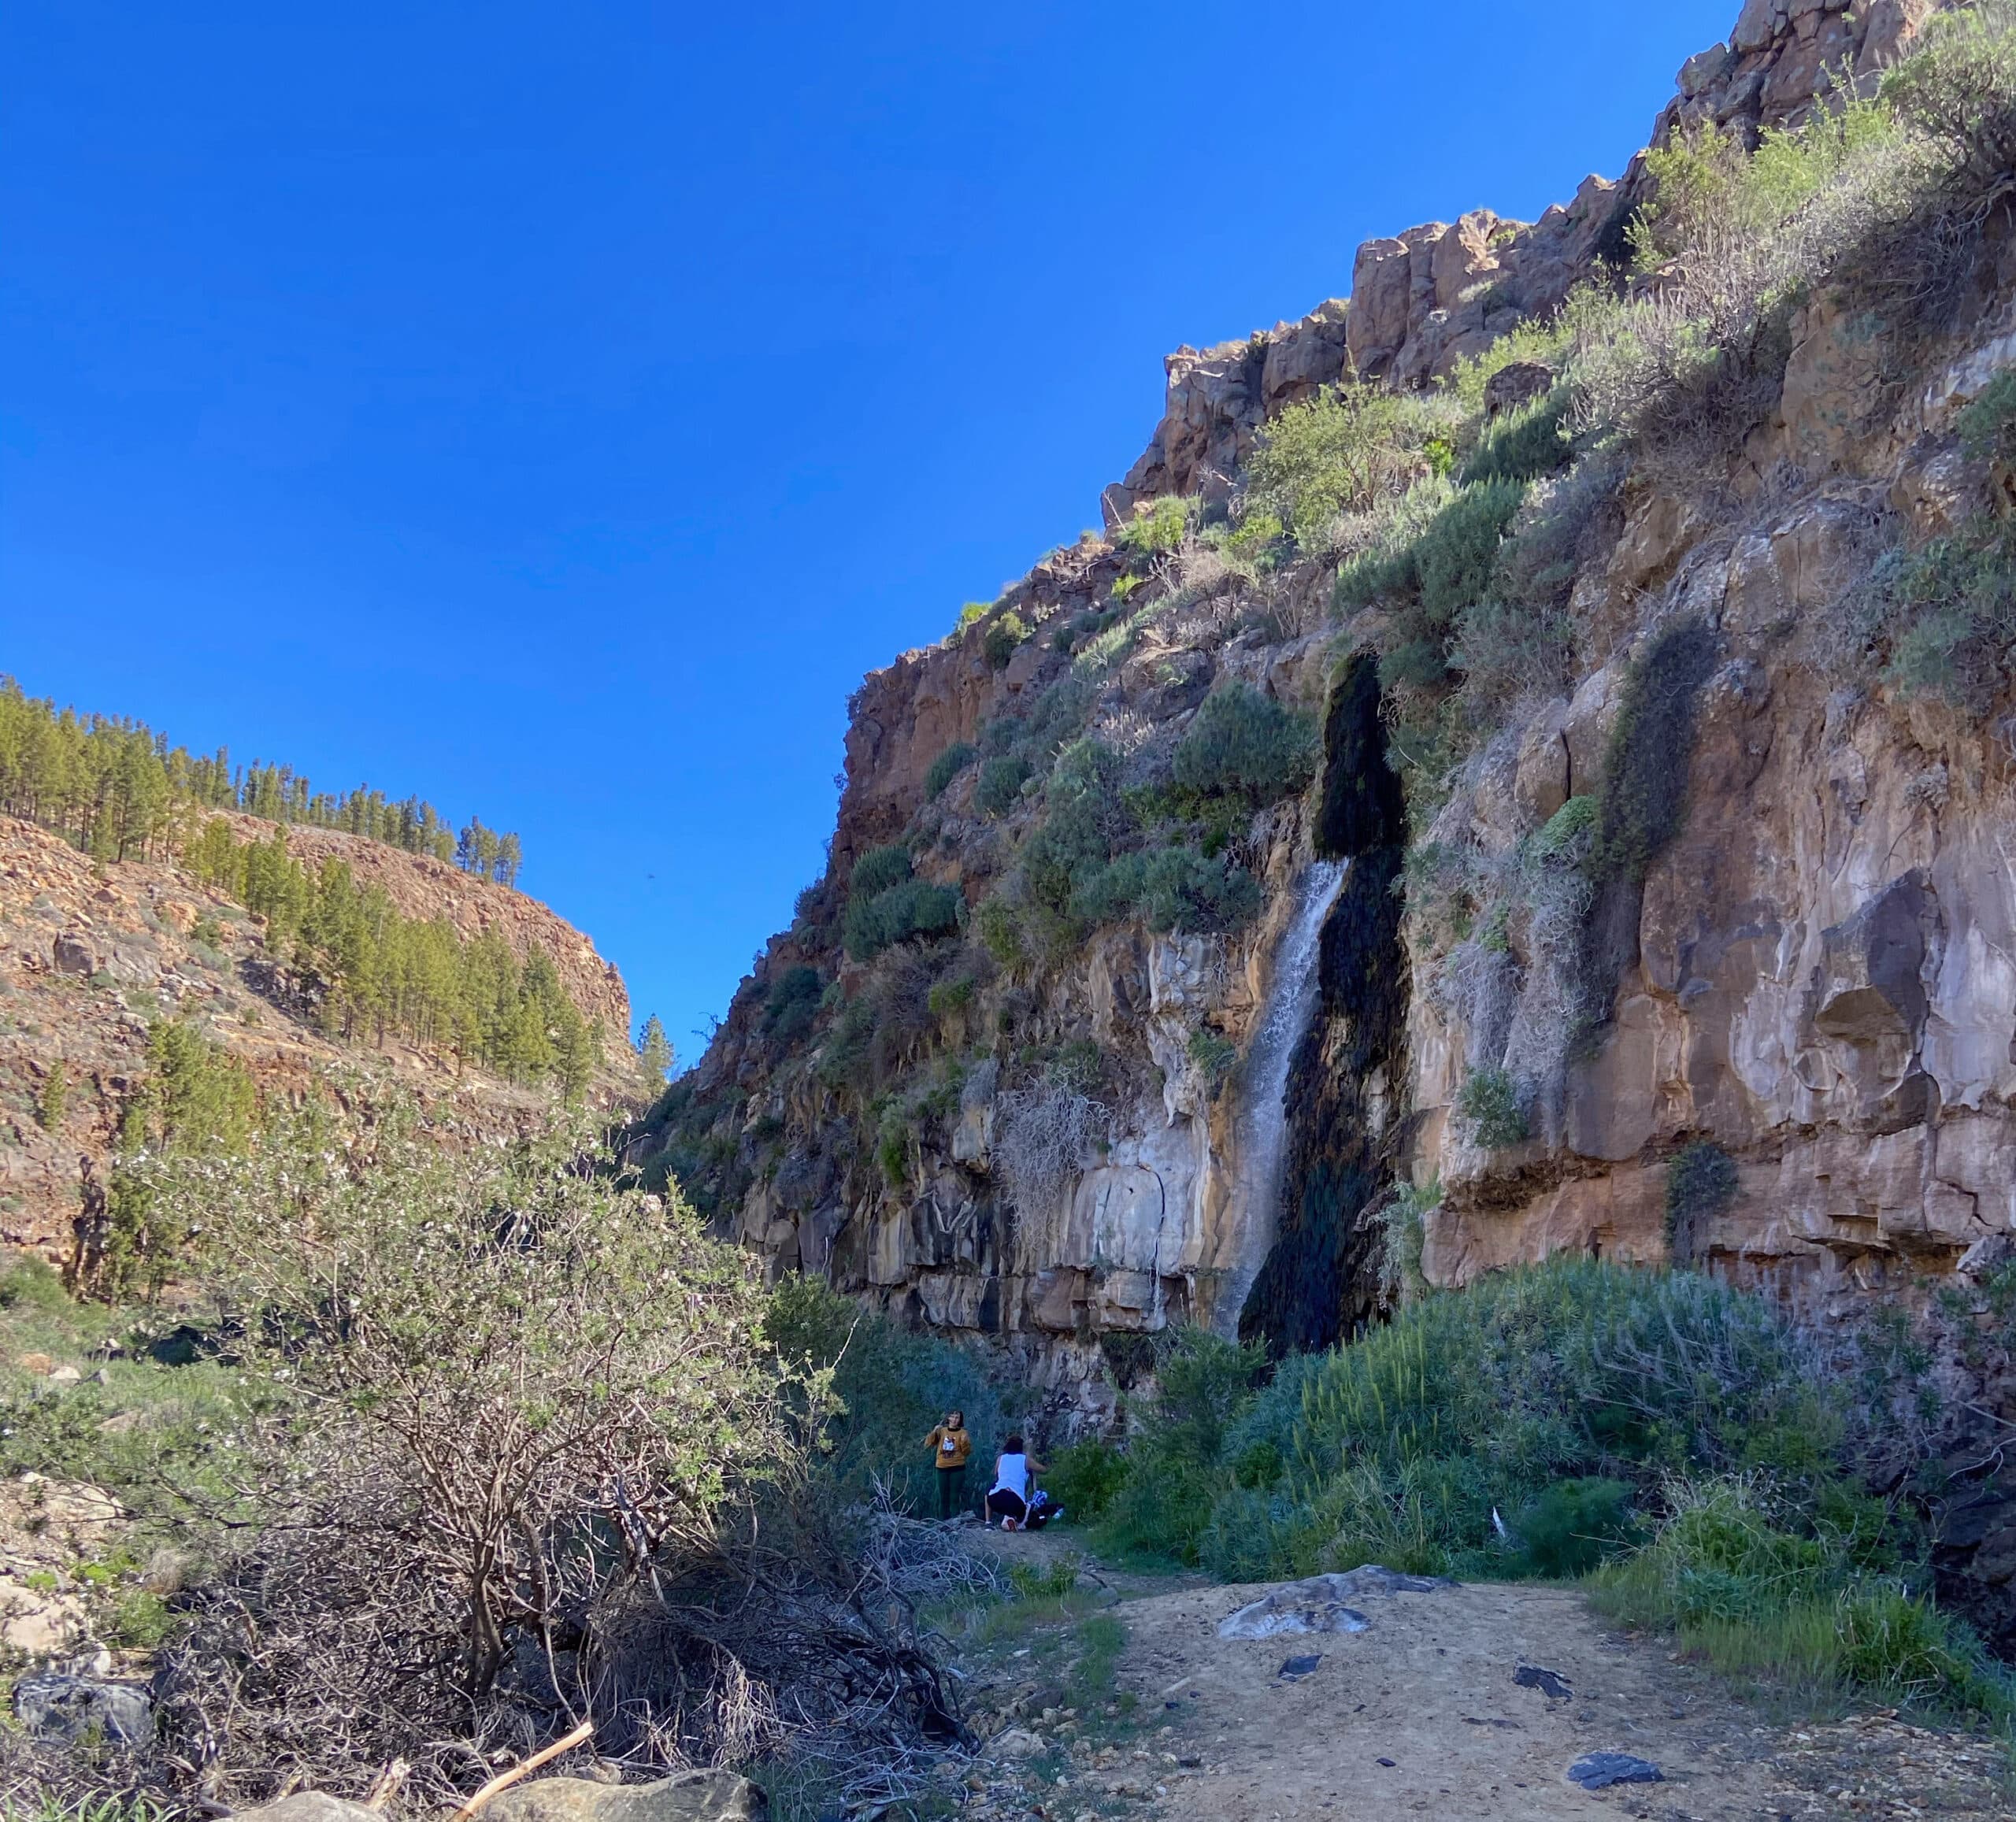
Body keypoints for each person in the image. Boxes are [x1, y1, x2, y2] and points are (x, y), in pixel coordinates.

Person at [985, 1433, 1049, 1531]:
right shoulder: (1026, 1460)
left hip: (996, 1499)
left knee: (990, 1489)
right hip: (1016, 1500)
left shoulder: (1000, 1458)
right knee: (1016, 1506)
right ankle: (1013, 1520)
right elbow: (1043, 1470)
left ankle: (988, 1523)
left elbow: (996, 1474)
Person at [924, 1409, 972, 1520]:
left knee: (954, 1497)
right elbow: (929, 1444)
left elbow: (967, 1452)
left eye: (957, 1417)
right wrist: (934, 1432)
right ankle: (942, 1522)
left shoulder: (963, 1433)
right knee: (942, 1497)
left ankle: (955, 1522)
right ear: (948, 1418)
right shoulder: (942, 1431)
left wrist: (964, 1442)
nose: (954, 1420)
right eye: (953, 1417)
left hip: (958, 1468)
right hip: (942, 1467)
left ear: (960, 1420)